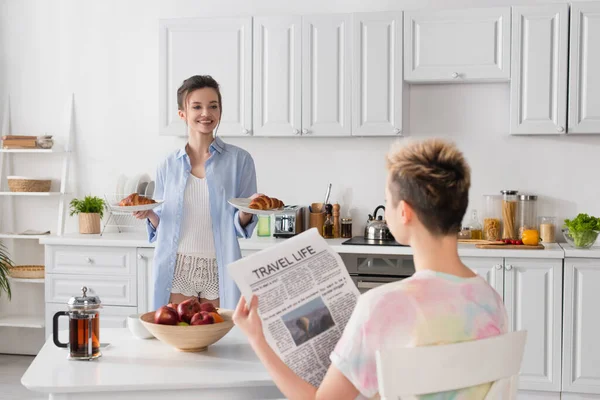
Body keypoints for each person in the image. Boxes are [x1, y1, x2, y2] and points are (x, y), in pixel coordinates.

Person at [233, 138, 508, 399]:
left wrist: (258, 339)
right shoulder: (490, 300)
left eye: (387, 201)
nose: (385, 209)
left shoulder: (381, 306)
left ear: (405, 212)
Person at [134, 75, 258, 311]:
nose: (206, 113)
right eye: (197, 107)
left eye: (213, 106)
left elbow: (240, 226)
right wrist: (149, 214)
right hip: (177, 267)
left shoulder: (240, 160)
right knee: (178, 340)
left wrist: (246, 211)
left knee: (220, 340)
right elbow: (164, 224)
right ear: (183, 113)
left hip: (220, 267)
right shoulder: (167, 165)